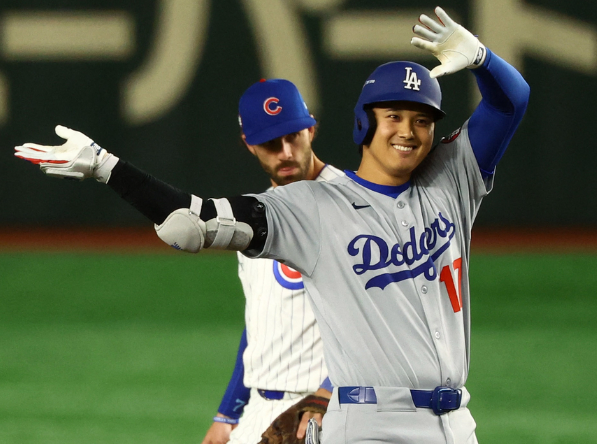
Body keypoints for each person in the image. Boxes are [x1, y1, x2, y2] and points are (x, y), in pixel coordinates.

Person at [15, 6, 529, 444]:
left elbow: (513, 100)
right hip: (370, 422)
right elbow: (188, 224)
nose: (409, 131)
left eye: (422, 120)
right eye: (393, 116)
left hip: (456, 422)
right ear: (364, 122)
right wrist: (107, 166)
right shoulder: (308, 207)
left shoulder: (451, 179)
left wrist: (481, 58)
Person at [201, 79, 340, 444]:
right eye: (271, 144)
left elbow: (377, 321)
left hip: (320, 410)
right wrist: (227, 414)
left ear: (311, 129)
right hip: (257, 410)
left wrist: (328, 394)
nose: (286, 153)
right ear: (249, 145)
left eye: (293, 136)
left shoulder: (351, 204)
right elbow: (260, 322)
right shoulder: (253, 216)